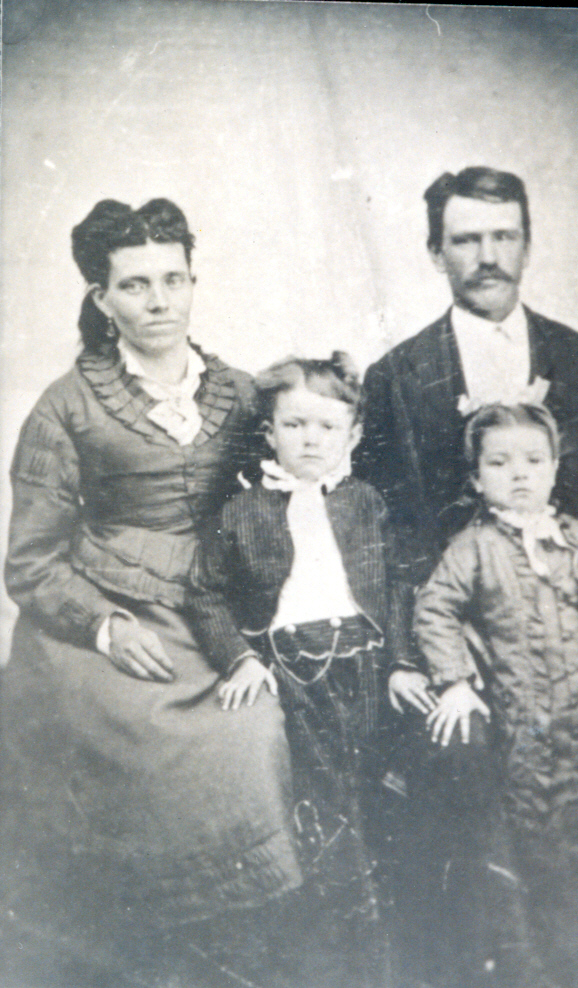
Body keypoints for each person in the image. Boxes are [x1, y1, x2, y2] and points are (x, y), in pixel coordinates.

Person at [1, 198, 301, 988]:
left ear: (194, 283)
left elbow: (303, 480)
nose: (159, 301)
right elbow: (29, 563)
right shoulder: (66, 406)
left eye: (173, 279)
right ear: (102, 299)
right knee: (138, 748)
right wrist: (105, 626)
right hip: (106, 614)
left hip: (213, 609)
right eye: (135, 285)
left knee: (251, 735)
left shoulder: (241, 393)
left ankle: (238, 959)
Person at [188, 353, 412, 988]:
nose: (310, 440)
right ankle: (337, 953)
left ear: (354, 435)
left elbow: (397, 585)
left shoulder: (367, 502)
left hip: (366, 667)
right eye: (294, 425)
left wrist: (402, 663)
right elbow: (204, 592)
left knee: (378, 795)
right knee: (322, 806)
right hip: (294, 672)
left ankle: (388, 948)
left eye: (326, 427)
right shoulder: (243, 511)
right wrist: (239, 658)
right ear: (269, 433)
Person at [412, 403, 578, 988]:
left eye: (533, 460)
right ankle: (559, 965)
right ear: (476, 479)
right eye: (499, 463)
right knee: (539, 843)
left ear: (554, 469)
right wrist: (454, 681)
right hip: (524, 724)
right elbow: (435, 610)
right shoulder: (472, 547)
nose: (519, 473)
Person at [357, 166, 578, 589]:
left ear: (527, 248)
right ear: (436, 254)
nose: (488, 258)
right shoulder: (393, 378)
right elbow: (384, 525)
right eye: (467, 240)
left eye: (504, 237)